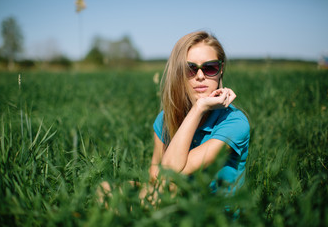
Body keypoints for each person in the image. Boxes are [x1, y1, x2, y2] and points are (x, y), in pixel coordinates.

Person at [98, 30, 250, 207]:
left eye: (210, 68)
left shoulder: (234, 122)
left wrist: (199, 107)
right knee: (106, 188)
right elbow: (156, 174)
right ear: (179, 73)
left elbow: (168, 171)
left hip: (212, 215)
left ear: (220, 70)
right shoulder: (166, 118)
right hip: (177, 203)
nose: (200, 76)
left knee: (151, 197)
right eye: (190, 69)